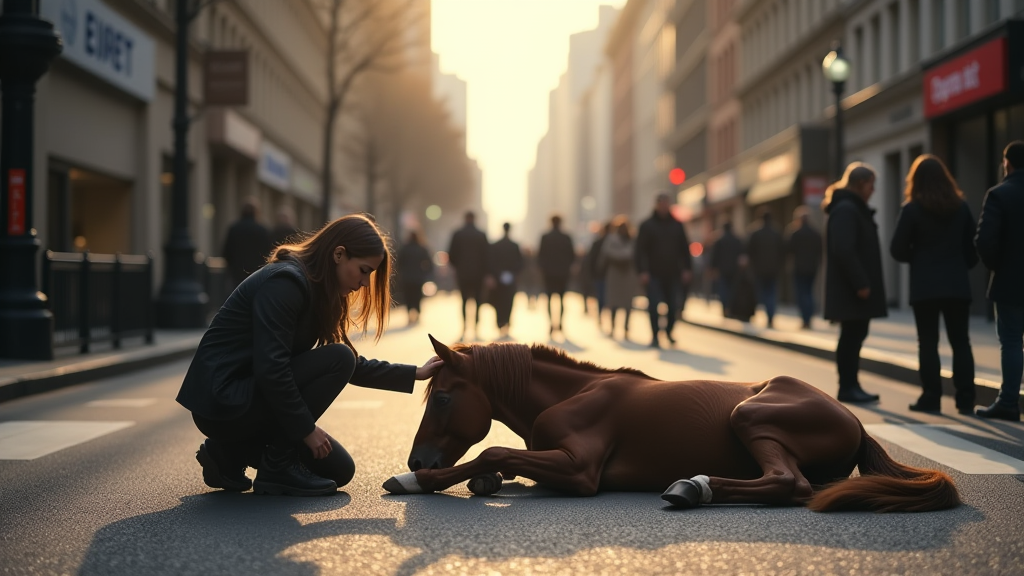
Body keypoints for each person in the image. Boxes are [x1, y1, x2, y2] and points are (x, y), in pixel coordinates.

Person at [177, 214, 444, 496]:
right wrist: (306, 431)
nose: (365, 283)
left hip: (251, 396)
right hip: (223, 401)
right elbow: (273, 369)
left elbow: (351, 364)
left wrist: (415, 373)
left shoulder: (319, 289)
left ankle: (227, 453)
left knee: (339, 470)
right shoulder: (285, 283)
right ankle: (276, 467)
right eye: (364, 270)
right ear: (339, 254)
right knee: (338, 357)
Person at [890, 155, 978, 414]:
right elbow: (973, 248)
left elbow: (897, 249)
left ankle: (931, 397)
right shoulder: (960, 207)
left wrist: (917, 259)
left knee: (927, 342)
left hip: (925, 286)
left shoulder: (912, 209)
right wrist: (961, 265)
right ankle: (965, 398)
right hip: (957, 284)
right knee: (961, 341)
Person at [822, 163, 887, 404]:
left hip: (851, 287)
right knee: (851, 336)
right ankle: (848, 387)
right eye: (871, 184)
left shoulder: (849, 207)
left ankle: (852, 384)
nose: (873, 190)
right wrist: (861, 282)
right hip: (851, 288)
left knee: (854, 335)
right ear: (861, 184)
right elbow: (844, 249)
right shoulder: (847, 209)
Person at [975, 141, 1024, 421]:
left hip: (1011, 282)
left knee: (1012, 341)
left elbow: (984, 241)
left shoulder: (999, 194)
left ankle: (1008, 403)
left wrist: (999, 267)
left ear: (1007, 163)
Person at [634, 193, 692, 348]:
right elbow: (640, 251)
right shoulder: (646, 225)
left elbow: (684, 249)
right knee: (653, 306)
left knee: (673, 306)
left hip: (673, 273)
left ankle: (668, 331)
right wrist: (642, 271)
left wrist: (687, 268)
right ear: (657, 205)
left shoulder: (677, 225)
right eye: (662, 204)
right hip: (653, 274)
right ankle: (654, 336)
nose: (665, 207)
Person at [447, 211, 490, 340]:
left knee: (464, 300)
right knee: (477, 301)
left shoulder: (457, 234)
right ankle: (476, 327)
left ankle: (465, 326)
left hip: (463, 273)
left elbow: (451, 254)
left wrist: (457, 267)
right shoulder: (481, 235)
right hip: (478, 273)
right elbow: (487, 255)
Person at [600, 215, 638, 340]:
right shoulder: (612, 240)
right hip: (615, 274)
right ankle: (613, 326)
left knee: (627, 304)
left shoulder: (632, 240)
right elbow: (605, 255)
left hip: (628, 274)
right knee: (614, 303)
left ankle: (626, 327)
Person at [746, 209, 785, 328]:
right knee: (771, 293)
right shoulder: (776, 232)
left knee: (761, 293)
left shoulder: (755, 233)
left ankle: (762, 314)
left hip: (759, 269)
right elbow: (782, 252)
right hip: (773, 269)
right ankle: (770, 316)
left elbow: (749, 251)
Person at [537, 214, 576, 335]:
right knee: (562, 299)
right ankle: (560, 323)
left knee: (549, 299)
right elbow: (572, 255)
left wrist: (543, 269)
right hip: (562, 273)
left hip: (549, 273)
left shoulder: (545, 237)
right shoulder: (566, 237)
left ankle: (551, 324)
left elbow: (540, 255)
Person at [785, 206, 823, 329]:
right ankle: (808, 317)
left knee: (802, 294)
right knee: (809, 292)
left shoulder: (795, 233)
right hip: (812, 267)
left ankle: (805, 318)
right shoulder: (815, 233)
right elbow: (820, 251)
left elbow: (788, 250)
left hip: (799, 268)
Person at [223, 197, 273, 288]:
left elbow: (226, 251)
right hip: (257, 273)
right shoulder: (262, 230)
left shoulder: (234, 229)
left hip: (237, 273)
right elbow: (269, 252)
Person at [488, 222, 524, 339]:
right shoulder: (514, 245)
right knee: (509, 301)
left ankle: (500, 323)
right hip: (511, 278)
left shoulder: (495, 245)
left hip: (498, 278)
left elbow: (491, 262)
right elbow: (520, 262)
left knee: (499, 301)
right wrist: (513, 273)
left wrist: (496, 274)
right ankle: (507, 322)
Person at [395, 230, 433, 325]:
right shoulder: (421, 248)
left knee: (408, 296)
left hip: (406, 277)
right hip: (418, 278)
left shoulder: (404, 248)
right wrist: (425, 273)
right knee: (417, 296)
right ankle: (417, 313)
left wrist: (400, 273)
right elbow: (429, 263)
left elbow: (398, 262)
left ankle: (409, 314)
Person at [708, 222, 744, 318]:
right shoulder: (736, 240)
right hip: (734, 269)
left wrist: (712, 268)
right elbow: (741, 255)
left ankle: (725, 308)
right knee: (732, 290)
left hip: (723, 269)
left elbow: (714, 256)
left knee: (723, 290)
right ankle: (730, 308)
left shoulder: (720, 240)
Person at [585, 222, 613, 329]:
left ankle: (601, 315)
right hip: (603, 275)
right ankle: (607, 318)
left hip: (601, 275)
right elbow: (592, 259)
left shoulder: (597, 243)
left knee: (601, 297)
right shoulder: (599, 243)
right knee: (605, 297)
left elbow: (590, 260)